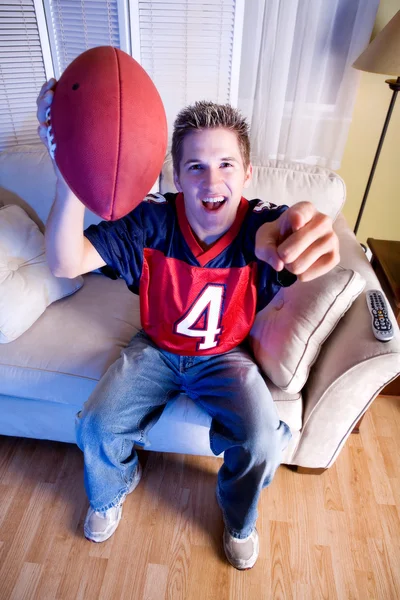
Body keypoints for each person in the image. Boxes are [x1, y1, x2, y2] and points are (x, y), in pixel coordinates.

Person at [36, 78, 339, 570]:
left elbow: (285, 228)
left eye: (226, 166)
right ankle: (114, 486)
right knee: (94, 425)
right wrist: (67, 174)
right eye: (195, 166)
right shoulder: (151, 220)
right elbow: (65, 262)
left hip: (225, 354)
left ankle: (239, 518)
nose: (211, 181)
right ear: (176, 176)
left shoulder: (261, 225)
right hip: (155, 348)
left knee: (263, 440)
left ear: (247, 174)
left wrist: (301, 230)